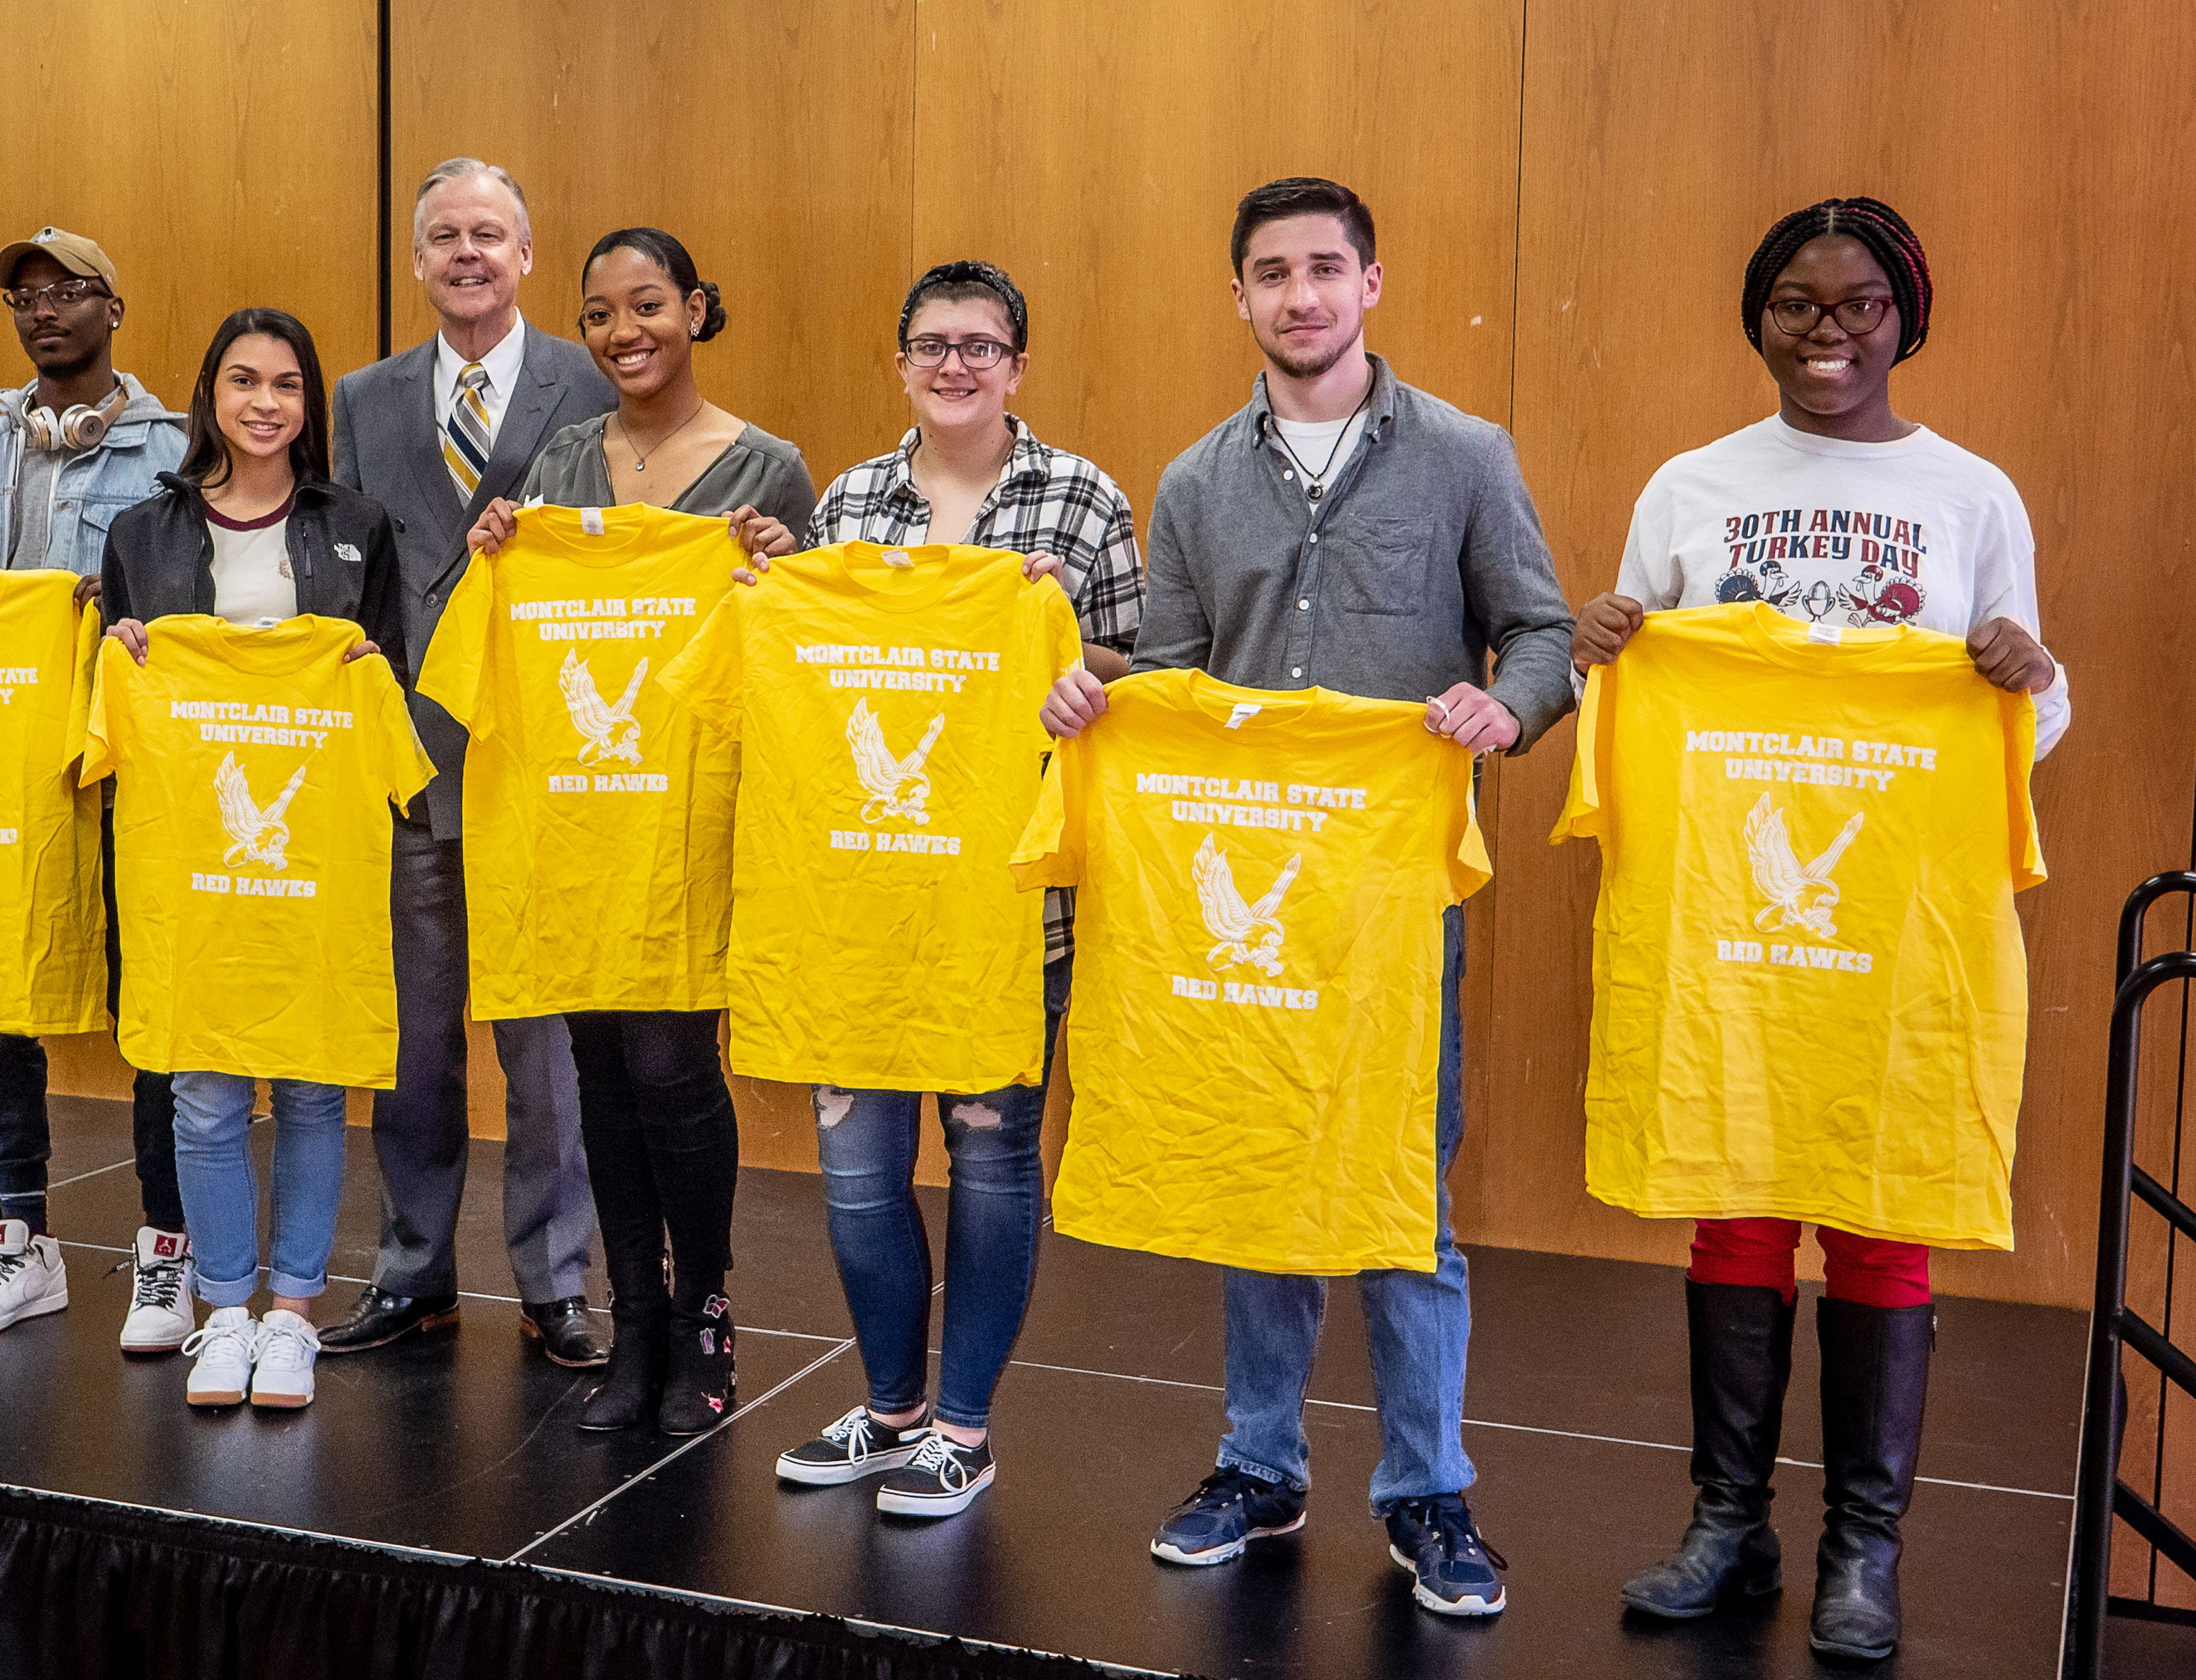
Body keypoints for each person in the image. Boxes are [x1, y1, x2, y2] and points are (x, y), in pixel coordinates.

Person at [1039, 178, 1574, 1616]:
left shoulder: (1464, 453)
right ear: (1240, 299)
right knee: (1258, 1171)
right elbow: (1178, 666)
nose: (1301, 296)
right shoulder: (1201, 477)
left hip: (1395, 896)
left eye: (1325, 268)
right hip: (1244, 886)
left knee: (1406, 1196)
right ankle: (1259, 1468)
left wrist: (1505, 711)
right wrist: (1106, 694)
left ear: (1372, 284)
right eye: (1272, 274)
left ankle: (1430, 1494)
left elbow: (1541, 631)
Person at [1571, 197, 2064, 1663]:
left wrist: (2026, 677)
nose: (1828, 331)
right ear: (1758, 316)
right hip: (1730, 921)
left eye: (1858, 305)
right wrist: (1608, 648)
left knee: (1878, 1206)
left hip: (1899, 924)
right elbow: (1643, 682)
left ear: (1907, 317)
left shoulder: (1972, 496)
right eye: (1797, 303)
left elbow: (2032, 724)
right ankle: (1730, 1524)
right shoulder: (1693, 486)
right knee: (1735, 1194)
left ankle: (1865, 1547)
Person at [762, 260, 1142, 1517]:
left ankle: (965, 1428)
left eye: (982, 346)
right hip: (861, 901)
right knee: (859, 1170)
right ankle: (891, 1410)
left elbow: (1140, 678)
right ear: (902, 361)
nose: (956, 365)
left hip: (1009, 898)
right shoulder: (852, 500)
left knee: (990, 1160)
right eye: (933, 344)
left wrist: (1059, 650)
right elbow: (803, 672)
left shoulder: (1082, 500)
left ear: (1018, 365)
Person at [468, 226, 813, 1433]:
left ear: (698, 308)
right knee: (599, 1066)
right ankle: (638, 1321)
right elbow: (499, 626)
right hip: (576, 821)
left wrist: (779, 567)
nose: (625, 333)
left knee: (672, 1062)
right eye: (602, 313)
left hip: (694, 817)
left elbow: (798, 653)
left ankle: (708, 1311)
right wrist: (498, 559)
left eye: (650, 305)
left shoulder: (769, 468)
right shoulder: (560, 461)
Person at [324, 159, 617, 1368]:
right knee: (414, 1044)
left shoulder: (592, 380)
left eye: (489, 233)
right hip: (407, 759)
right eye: (444, 236)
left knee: (547, 1054)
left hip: (541, 766)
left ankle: (556, 1283)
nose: (467, 253)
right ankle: (413, 1269)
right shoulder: (361, 396)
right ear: (416, 260)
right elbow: (348, 561)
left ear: (528, 253)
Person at [95, 308, 404, 1409]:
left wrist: (365, 662)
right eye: (243, 380)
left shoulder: (356, 523)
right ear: (208, 395)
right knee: (207, 1094)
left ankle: (292, 1318)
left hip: (313, 859)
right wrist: (121, 654)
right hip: (197, 864)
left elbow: (393, 692)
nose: (265, 401)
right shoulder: (141, 534)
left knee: (316, 1094)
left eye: (286, 383)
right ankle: (222, 1310)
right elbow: (112, 697)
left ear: (309, 403)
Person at [0, 226, 196, 1350]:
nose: (44, 310)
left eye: (69, 290)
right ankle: (19, 1244)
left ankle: (166, 1253)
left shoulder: (175, 449)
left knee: (150, 1005)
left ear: (114, 308)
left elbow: (195, 603)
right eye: (26, 295)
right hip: (6, 767)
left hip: (129, 758)